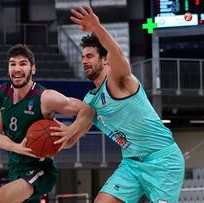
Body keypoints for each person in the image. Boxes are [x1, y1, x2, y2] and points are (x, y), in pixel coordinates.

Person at [69, 6, 185, 203]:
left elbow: (117, 53)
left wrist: (96, 27)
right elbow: (73, 136)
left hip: (163, 160)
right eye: (82, 57)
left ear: (105, 60)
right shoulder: (89, 100)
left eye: (89, 56)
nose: (84, 61)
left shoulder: (120, 80)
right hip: (131, 164)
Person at [0, 44, 95, 203]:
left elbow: (88, 111)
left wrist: (71, 132)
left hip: (41, 170)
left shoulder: (46, 97)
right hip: (15, 168)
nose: (17, 69)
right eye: (13, 64)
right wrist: (18, 147)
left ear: (33, 69)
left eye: (23, 64)